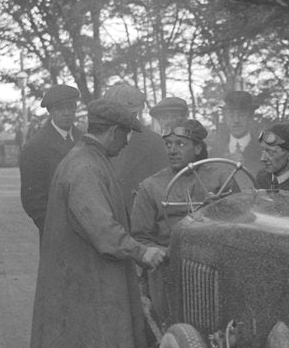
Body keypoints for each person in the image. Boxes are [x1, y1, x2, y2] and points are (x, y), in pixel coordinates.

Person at [27, 99, 167, 348]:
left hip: (83, 275)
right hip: (86, 278)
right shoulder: (86, 166)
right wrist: (142, 252)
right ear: (114, 131)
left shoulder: (85, 159)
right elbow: (101, 229)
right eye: (127, 135)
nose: (127, 143)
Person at [132, 119, 231, 250]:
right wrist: (166, 254)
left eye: (181, 144)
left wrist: (219, 209)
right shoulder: (151, 186)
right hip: (170, 259)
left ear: (197, 148)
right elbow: (140, 238)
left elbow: (243, 222)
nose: (172, 151)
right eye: (168, 144)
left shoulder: (221, 179)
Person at [19, 84, 81, 237]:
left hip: (88, 228)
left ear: (75, 108)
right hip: (55, 231)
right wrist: (52, 226)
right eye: (60, 109)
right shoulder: (35, 147)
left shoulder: (84, 140)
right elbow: (32, 198)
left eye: (70, 107)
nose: (66, 113)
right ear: (50, 111)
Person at [105, 82, 170, 204]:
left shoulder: (155, 143)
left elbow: (163, 188)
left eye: (131, 113)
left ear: (137, 112)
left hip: (140, 216)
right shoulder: (96, 141)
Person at [212, 90, 262, 177]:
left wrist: (246, 165)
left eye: (242, 115)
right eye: (231, 115)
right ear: (225, 118)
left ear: (250, 117)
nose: (236, 120)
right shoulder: (215, 151)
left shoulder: (263, 150)